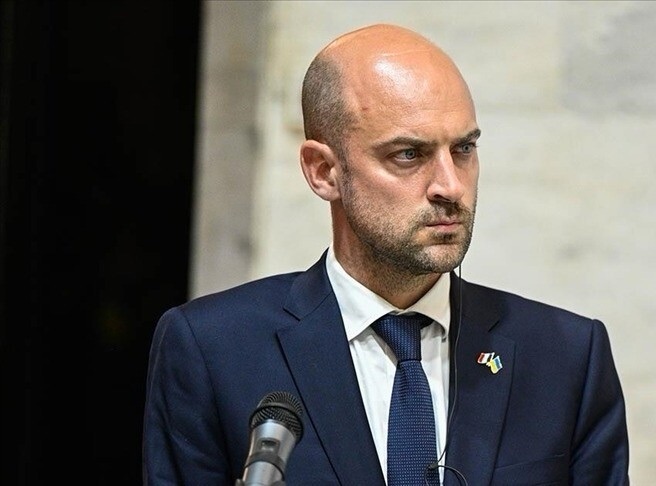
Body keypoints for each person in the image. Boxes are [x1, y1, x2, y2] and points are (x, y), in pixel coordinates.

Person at [143, 23, 629, 485]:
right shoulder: (213, 349)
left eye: (463, 149)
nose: (450, 186)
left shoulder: (566, 357)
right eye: (408, 155)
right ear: (323, 171)